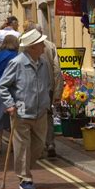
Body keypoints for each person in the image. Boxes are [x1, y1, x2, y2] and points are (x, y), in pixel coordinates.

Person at [0, 28, 51, 189]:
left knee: (39, 145)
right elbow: (3, 85)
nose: (44, 46)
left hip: (40, 112)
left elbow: (47, 84)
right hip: (21, 112)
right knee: (22, 147)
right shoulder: (17, 62)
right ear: (32, 47)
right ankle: (25, 178)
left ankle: (24, 168)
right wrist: (10, 104)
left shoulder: (44, 63)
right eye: (41, 43)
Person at [24, 23, 63, 158]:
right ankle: (50, 143)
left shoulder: (25, 46)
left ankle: (38, 149)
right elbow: (57, 70)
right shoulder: (50, 46)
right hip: (48, 87)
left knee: (34, 117)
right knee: (47, 116)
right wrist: (57, 91)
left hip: (31, 88)